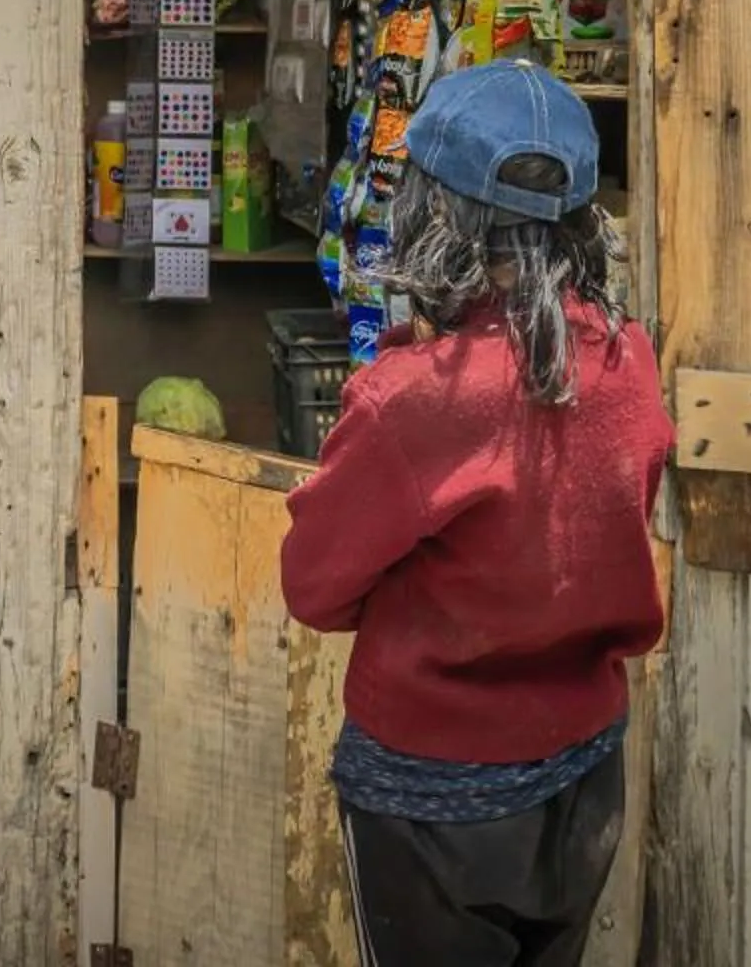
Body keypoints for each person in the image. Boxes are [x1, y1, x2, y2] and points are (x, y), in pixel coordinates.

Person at [281, 60, 674, 967]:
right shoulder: (630, 361)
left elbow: (315, 589)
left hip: (433, 795)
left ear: (430, 212)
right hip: (584, 769)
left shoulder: (413, 397)